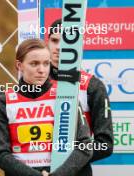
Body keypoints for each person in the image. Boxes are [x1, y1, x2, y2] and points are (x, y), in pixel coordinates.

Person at [0, 38, 93, 176]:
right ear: (19, 65)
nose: (41, 70)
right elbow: (0, 154)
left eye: (46, 63)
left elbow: (85, 145)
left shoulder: (66, 95)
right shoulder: (4, 102)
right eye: (34, 64)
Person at [48, 19, 113, 163]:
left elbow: (105, 144)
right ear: (47, 42)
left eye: (66, 42)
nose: (58, 47)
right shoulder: (31, 84)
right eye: (54, 40)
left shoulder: (92, 86)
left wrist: (65, 162)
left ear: (76, 46)